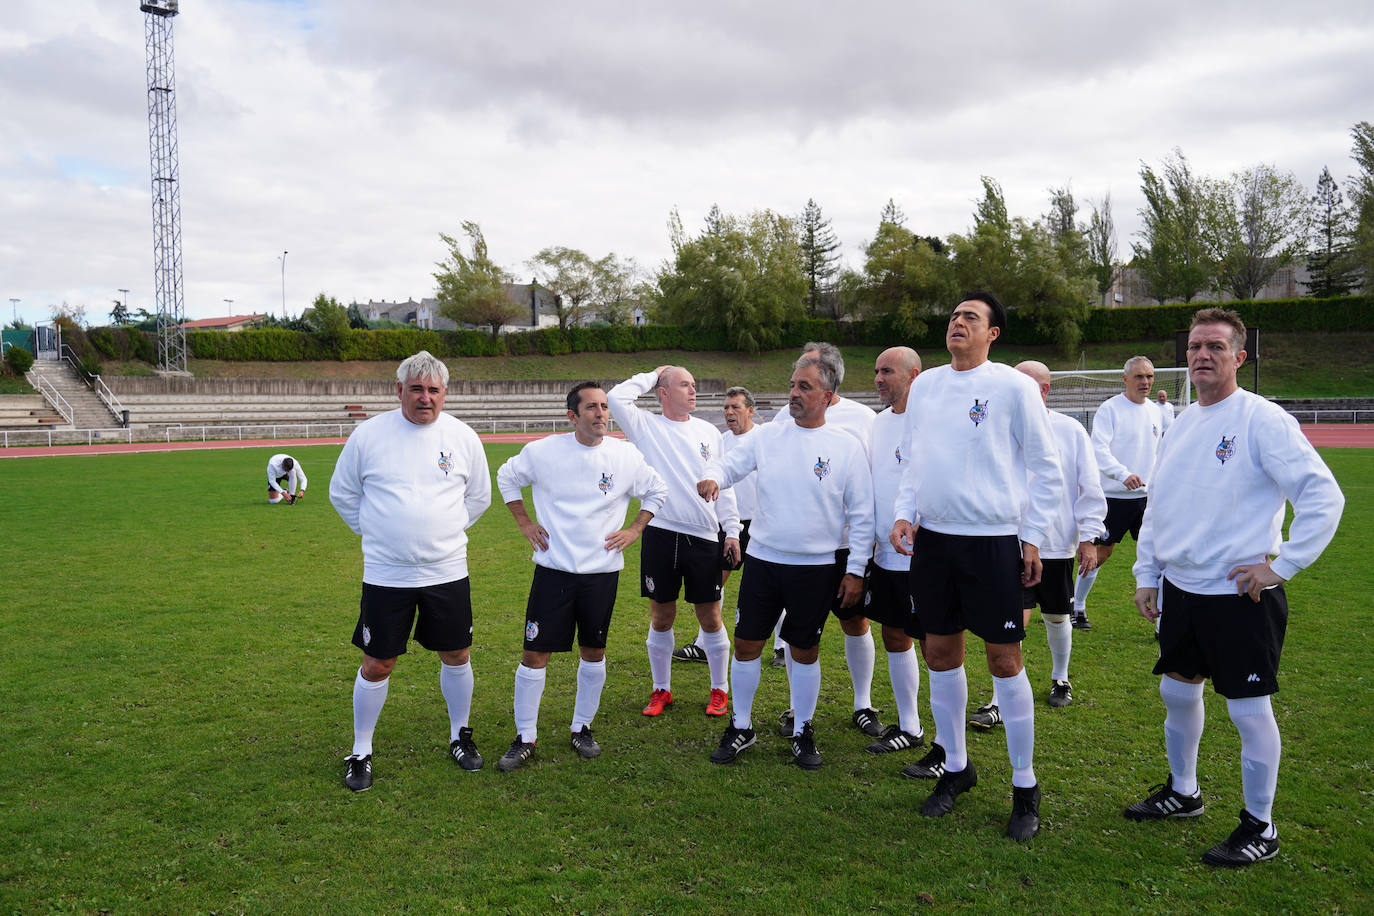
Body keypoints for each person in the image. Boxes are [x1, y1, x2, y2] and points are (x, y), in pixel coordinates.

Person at [1125, 308, 1343, 867]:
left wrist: (1283, 564)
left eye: (1216, 347)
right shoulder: (1179, 425)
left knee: (1248, 711)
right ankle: (1184, 790)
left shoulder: (1261, 420)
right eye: (1196, 346)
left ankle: (1260, 826)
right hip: (1182, 590)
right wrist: (1147, 574)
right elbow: (1159, 508)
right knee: (1177, 691)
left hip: (1240, 594)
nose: (1202, 355)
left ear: (1239, 357)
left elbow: (1323, 495)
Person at [889, 290, 1065, 841]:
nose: (957, 322)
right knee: (940, 653)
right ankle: (958, 768)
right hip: (935, 543)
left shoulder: (1012, 387)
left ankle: (1024, 784)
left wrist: (1032, 539)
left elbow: (1046, 467)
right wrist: (904, 514)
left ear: (992, 334)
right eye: (953, 316)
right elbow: (914, 461)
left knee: (1005, 661)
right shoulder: (929, 387)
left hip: (993, 543)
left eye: (971, 317)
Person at [698, 351, 874, 769]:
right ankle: (741, 726)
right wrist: (714, 478)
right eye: (793, 384)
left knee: (804, 649)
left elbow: (864, 515)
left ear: (828, 396)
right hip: (763, 561)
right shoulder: (767, 436)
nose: (793, 393)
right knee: (746, 646)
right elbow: (731, 465)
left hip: (817, 568)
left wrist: (855, 570)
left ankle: (803, 729)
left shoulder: (846, 447)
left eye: (804, 387)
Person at [328, 351, 492, 792]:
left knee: (456, 654)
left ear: (445, 393)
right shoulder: (368, 435)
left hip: (447, 572)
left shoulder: (462, 436)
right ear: (398, 389)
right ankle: (361, 749)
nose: (425, 398)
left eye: (433, 390)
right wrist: (383, 535)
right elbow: (343, 494)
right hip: (387, 575)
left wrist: (439, 537)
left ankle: (460, 734)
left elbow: (478, 498)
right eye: (416, 389)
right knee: (379, 662)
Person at [493, 382, 669, 770]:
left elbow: (657, 491)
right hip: (553, 571)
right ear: (572, 416)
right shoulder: (542, 452)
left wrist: (636, 529)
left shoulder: (625, 455)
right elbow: (506, 476)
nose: (601, 414)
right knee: (534, 653)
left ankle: (582, 727)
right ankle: (525, 736)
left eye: (604, 406)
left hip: (601, 575)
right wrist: (524, 521)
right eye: (591, 407)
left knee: (594, 651)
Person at [608, 366, 741, 718]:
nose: (693, 391)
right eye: (685, 385)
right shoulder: (646, 426)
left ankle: (719, 689)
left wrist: (731, 531)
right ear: (663, 392)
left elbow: (722, 484)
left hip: (703, 537)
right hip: (660, 535)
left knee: (710, 616)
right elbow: (615, 398)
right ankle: (661, 689)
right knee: (661, 615)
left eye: (694, 385)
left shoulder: (708, 432)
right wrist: (654, 373)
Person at [862, 347, 929, 757]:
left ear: (914, 375)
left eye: (886, 371)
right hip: (887, 553)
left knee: (935, 643)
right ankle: (909, 725)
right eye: (876, 370)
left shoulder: (936, 421)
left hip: (928, 552)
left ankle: (946, 740)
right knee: (894, 633)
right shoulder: (878, 424)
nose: (878, 378)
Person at [1071, 356, 1161, 629]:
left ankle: (1162, 624)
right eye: (1139, 377)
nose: (1145, 382)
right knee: (1100, 555)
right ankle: (1078, 606)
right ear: (1125, 379)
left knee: (1160, 556)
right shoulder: (1110, 409)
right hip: (1113, 498)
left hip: (1148, 499)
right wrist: (1123, 475)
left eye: (1149, 376)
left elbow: (1160, 451)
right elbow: (1098, 449)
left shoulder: (1157, 411)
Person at [674, 386, 759, 665]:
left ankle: (782, 646)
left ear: (750, 410)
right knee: (715, 585)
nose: (729, 412)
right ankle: (703, 645)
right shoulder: (719, 441)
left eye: (736, 407)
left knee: (768, 584)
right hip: (727, 524)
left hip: (760, 526)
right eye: (726, 407)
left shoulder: (765, 439)